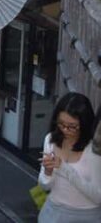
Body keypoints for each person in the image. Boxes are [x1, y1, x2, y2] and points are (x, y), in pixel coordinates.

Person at [37, 92, 101, 221]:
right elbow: (44, 186)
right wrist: (48, 172)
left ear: (84, 123)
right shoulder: (50, 139)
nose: (65, 130)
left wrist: (64, 168)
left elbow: (98, 196)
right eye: (61, 124)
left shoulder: (93, 149)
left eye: (72, 126)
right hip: (52, 212)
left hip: (85, 216)